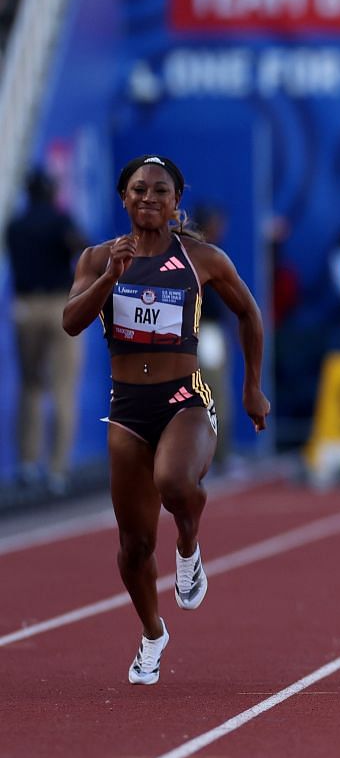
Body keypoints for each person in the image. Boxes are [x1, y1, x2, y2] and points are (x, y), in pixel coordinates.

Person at [61, 156, 270, 684]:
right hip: (127, 408)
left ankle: (188, 545)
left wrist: (251, 388)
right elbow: (70, 322)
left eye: (160, 190)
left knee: (175, 482)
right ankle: (153, 633)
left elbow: (250, 312)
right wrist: (110, 276)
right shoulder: (97, 258)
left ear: (177, 201)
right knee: (132, 546)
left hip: (185, 398)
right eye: (138, 190)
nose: (148, 197)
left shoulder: (201, 258)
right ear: (123, 199)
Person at [7, 167, 86, 492]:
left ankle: (27, 464)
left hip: (25, 307)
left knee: (30, 386)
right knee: (63, 387)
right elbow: (81, 248)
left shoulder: (15, 225)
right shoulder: (60, 220)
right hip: (58, 306)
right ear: (51, 192)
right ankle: (57, 469)